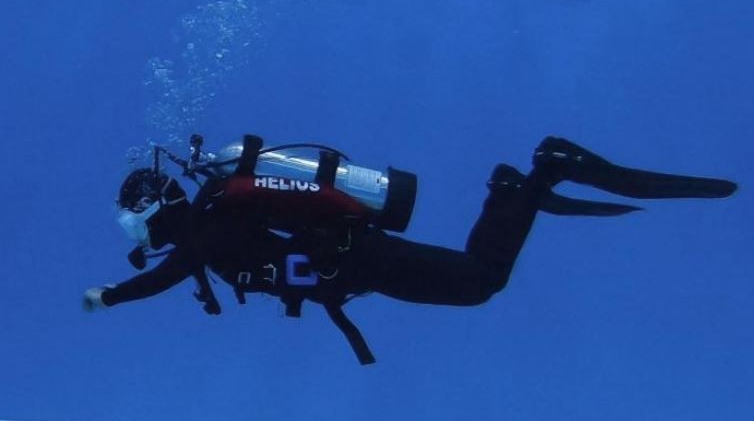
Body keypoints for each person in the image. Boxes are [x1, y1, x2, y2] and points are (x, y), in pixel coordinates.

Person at [84, 135, 737, 364]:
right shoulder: (216, 221)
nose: (137, 240)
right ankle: (521, 187)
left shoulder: (206, 230)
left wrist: (108, 296)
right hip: (359, 264)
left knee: (480, 282)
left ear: (155, 207)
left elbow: (163, 278)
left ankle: (538, 175)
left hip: (364, 260)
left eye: (133, 226)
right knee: (479, 281)